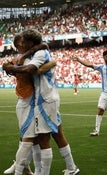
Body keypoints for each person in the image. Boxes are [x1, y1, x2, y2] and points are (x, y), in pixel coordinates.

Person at [3, 29, 79, 175]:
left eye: (23, 42)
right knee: (51, 136)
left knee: (42, 139)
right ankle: (70, 167)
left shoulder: (38, 54)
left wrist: (12, 67)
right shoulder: (34, 52)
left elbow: (31, 68)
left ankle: (30, 169)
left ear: (30, 43)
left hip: (44, 99)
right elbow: (41, 49)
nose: (21, 45)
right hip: (42, 99)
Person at [3, 34, 56, 175]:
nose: (25, 44)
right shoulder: (19, 60)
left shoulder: (27, 56)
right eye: (22, 42)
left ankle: (29, 168)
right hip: (26, 101)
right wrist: (52, 63)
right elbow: (31, 70)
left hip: (35, 101)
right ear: (20, 45)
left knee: (35, 139)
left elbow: (43, 46)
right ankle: (20, 168)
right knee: (27, 139)